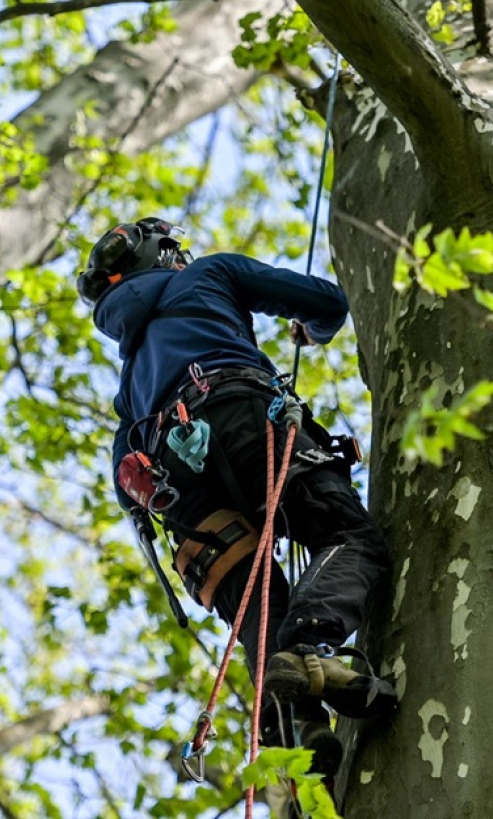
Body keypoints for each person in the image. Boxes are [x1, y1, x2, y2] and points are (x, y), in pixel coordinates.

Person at [78, 217, 396, 780]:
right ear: (166, 256)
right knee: (349, 538)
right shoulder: (207, 275)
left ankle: (294, 722)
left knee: (255, 599)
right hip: (243, 416)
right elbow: (327, 302)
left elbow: (126, 481)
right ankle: (308, 650)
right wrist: (312, 331)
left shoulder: (130, 384)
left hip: (178, 488)